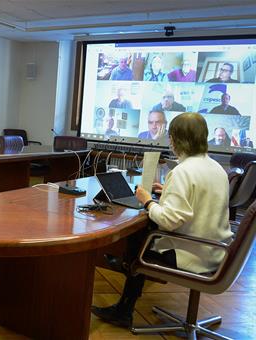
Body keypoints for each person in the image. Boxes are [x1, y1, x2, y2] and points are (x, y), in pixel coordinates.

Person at [92, 112, 232, 328]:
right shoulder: (217, 168)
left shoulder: (183, 171)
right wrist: (168, 190)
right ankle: (126, 266)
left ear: (176, 140)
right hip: (215, 251)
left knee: (138, 237)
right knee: (141, 236)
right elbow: (200, 199)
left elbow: (168, 221)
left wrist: (148, 201)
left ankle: (125, 299)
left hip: (191, 253)